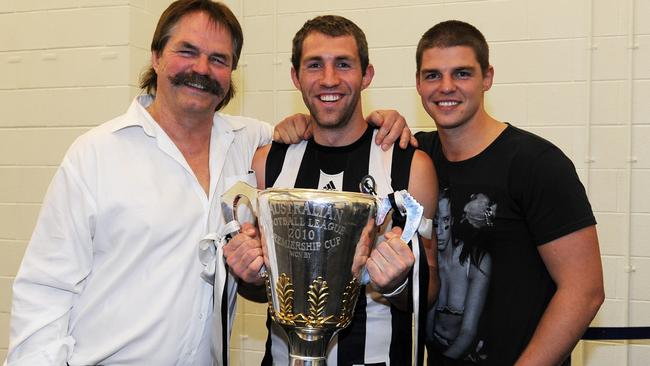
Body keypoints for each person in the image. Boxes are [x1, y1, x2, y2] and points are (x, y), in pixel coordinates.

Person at [3, 1, 410, 365]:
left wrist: (383, 124)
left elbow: (329, 131)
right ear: (157, 56)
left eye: (218, 58)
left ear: (231, 72)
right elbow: (45, 290)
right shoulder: (95, 154)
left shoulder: (251, 143)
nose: (201, 69)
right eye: (187, 51)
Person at [236, 15, 439, 366]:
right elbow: (259, 285)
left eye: (343, 64)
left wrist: (398, 284)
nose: (329, 79)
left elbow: (430, 290)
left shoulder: (410, 164)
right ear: (296, 77)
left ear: (366, 75)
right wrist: (247, 274)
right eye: (315, 65)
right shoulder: (270, 161)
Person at [414, 20, 605, 365]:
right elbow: (346, 134)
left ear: (487, 77)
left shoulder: (536, 163)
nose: (445, 87)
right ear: (418, 83)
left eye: (461, 73)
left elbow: (585, 291)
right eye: (432, 75)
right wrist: (298, 127)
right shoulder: (417, 157)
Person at [426, 189, 491, 362]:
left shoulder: (476, 261)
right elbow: (427, 327)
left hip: (464, 356)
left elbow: (468, 332)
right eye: (434, 222)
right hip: (433, 351)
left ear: (453, 220)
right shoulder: (429, 260)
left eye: (445, 220)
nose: (439, 230)